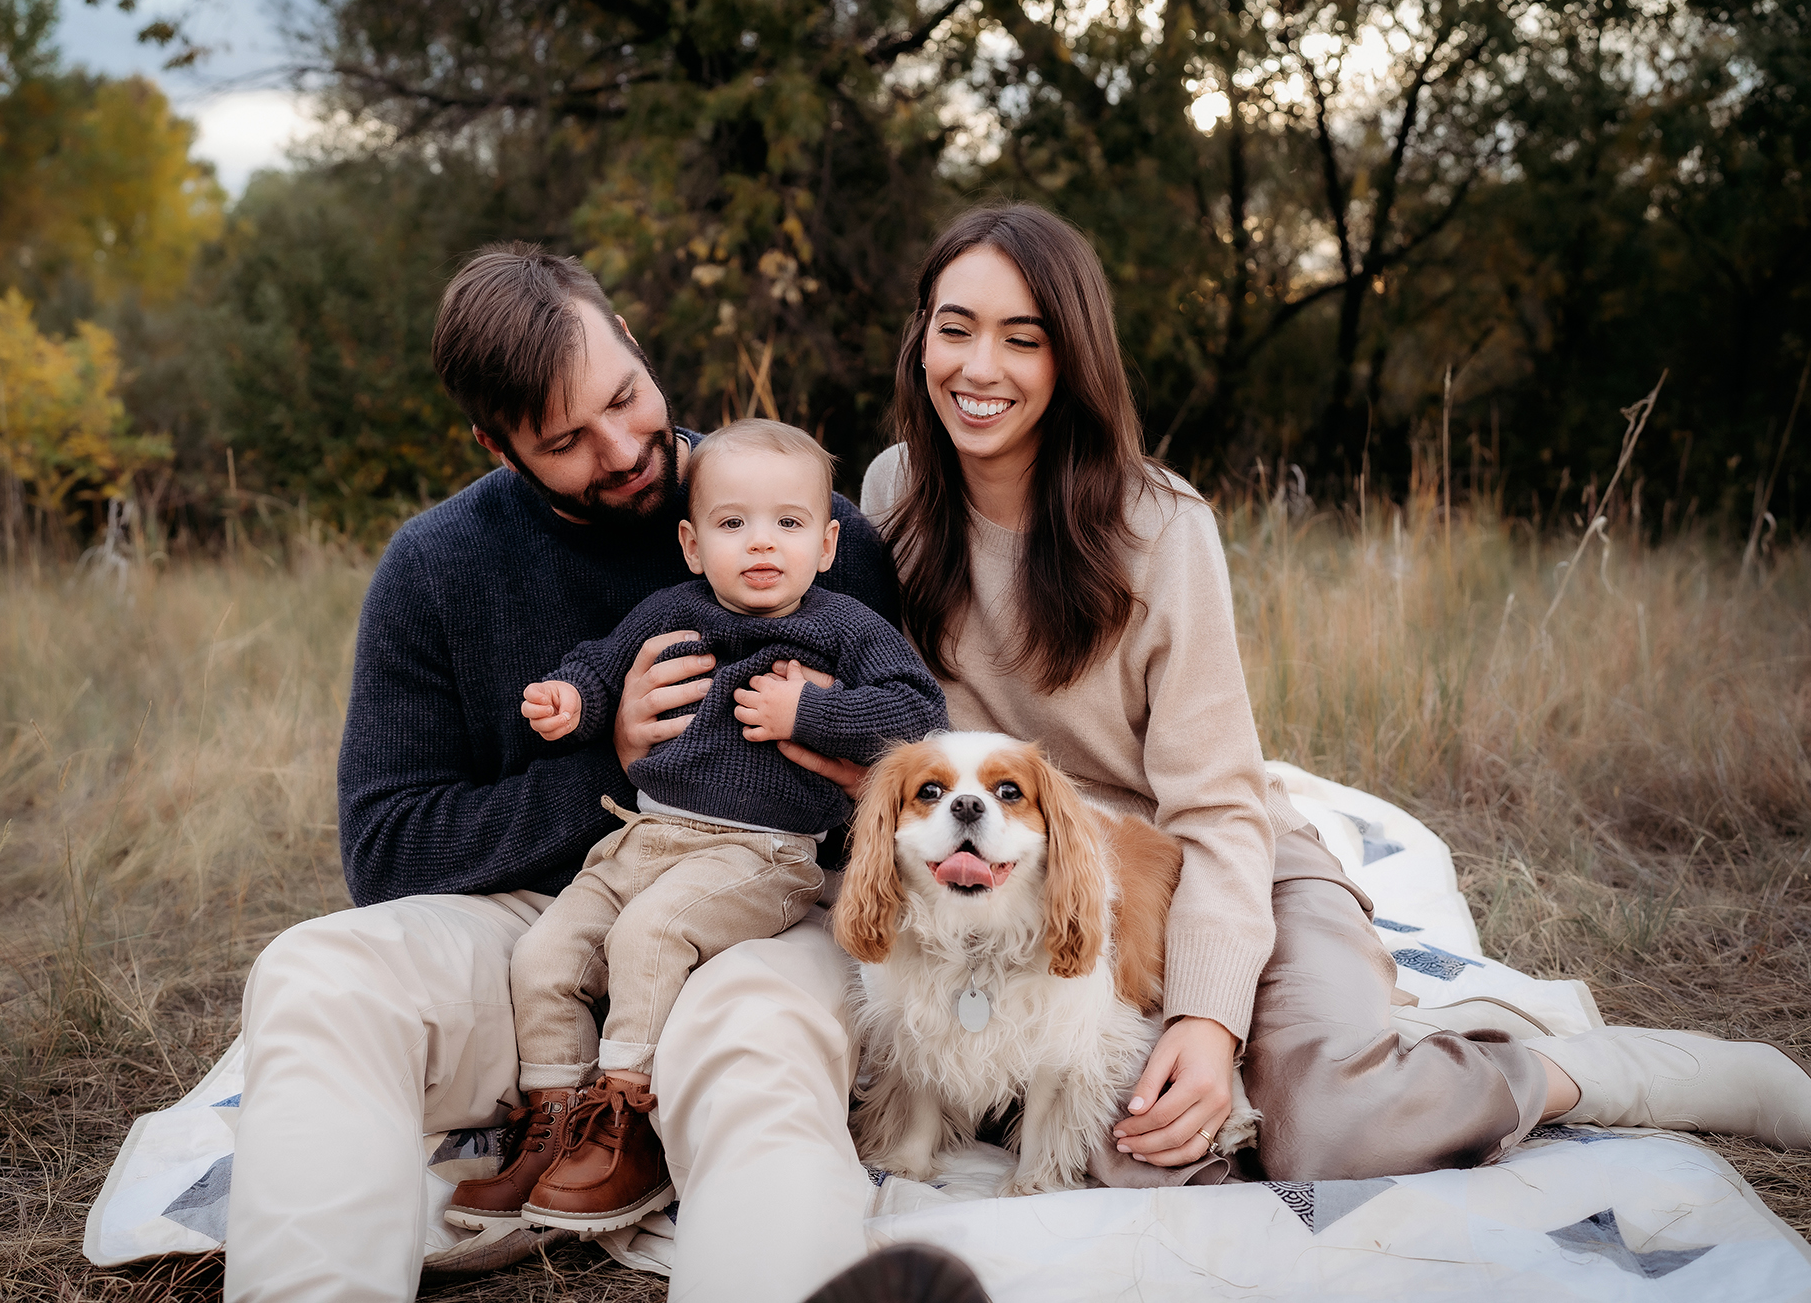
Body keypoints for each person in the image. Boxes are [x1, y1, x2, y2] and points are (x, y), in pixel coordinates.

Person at [846, 201, 1811, 1183]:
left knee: (1330, 1131)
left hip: (1218, 866)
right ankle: (1345, 1042)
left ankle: (1584, 1069)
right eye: (953, 327)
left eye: (1022, 339)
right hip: (1035, 899)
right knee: (1137, 1156)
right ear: (919, 332)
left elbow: (1217, 806)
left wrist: (1208, 1017)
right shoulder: (890, 498)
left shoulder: (1156, 526)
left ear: (1071, 358)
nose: (976, 368)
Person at [219, 243, 901, 1303]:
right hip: (550, 913)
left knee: (751, 1030)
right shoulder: (436, 567)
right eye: (568, 440)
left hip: (767, 902)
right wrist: (613, 765)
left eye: (626, 399)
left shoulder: (798, 519)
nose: (627, 447)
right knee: (313, 972)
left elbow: (900, 769)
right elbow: (391, 848)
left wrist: (850, 775)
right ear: (497, 447)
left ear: (630, 340)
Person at [443, 419, 946, 1235]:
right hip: (644, 838)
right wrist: (572, 701)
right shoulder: (672, 609)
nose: (760, 543)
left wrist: (811, 710)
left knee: (647, 935)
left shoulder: (843, 626)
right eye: (732, 522)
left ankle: (628, 1116)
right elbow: (603, 664)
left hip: (763, 853)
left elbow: (919, 714)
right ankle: (555, 1123)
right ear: (690, 541)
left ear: (825, 544)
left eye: (788, 524)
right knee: (545, 953)